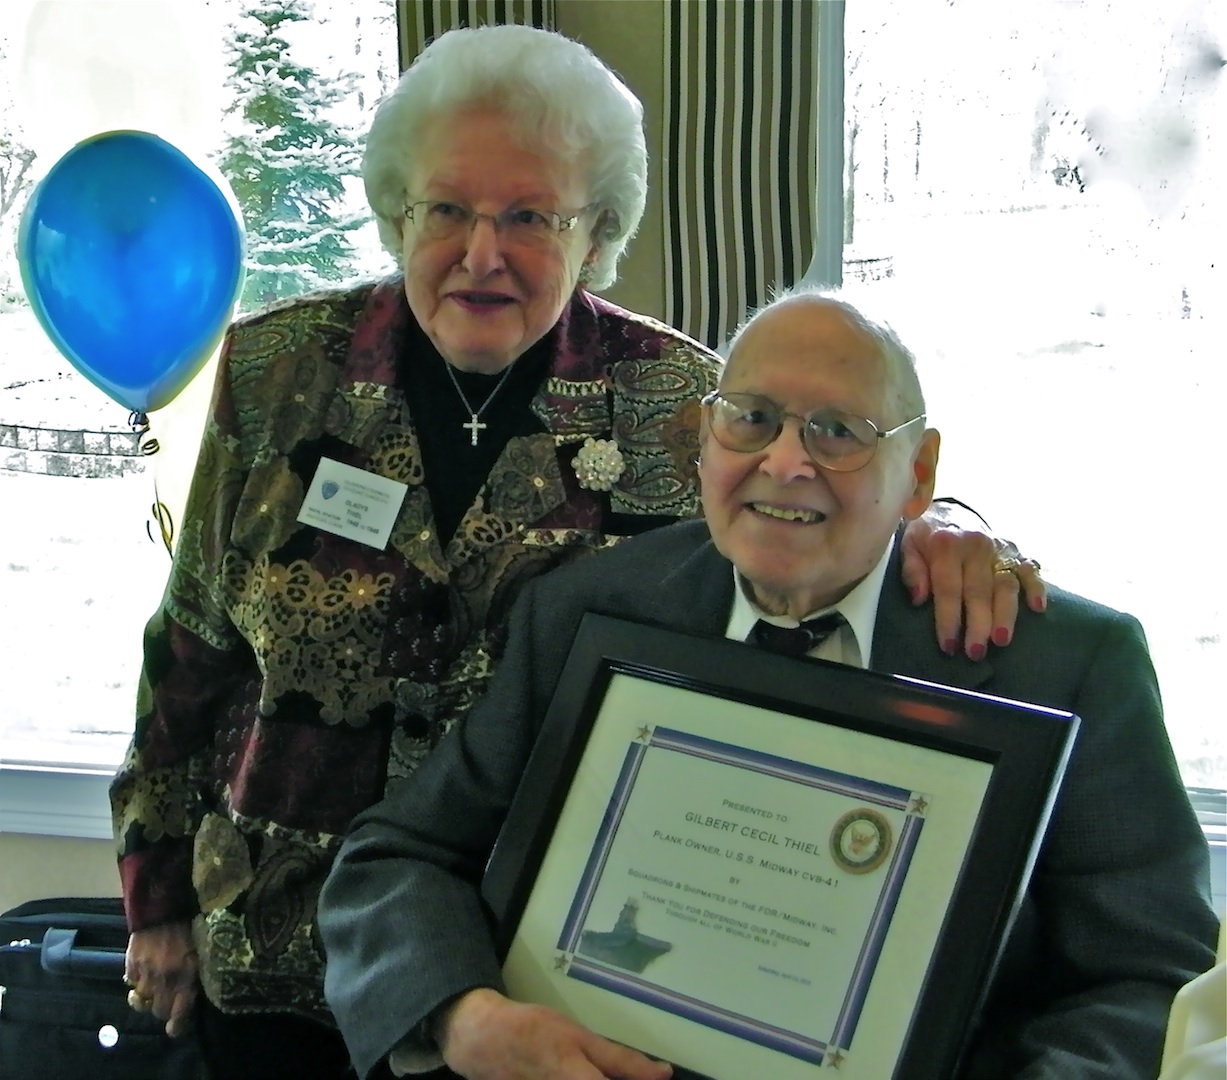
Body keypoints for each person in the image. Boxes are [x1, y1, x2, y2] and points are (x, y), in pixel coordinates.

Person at [110, 24, 1042, 1080]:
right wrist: (157, 898)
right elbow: (188, 649)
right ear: (394, 212)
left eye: (529, 217)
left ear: (597, 231)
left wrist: (951, 525)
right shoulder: (279, 368)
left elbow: (820, 495)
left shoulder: (674, 401)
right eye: (447, 209)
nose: (481, 253)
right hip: (278, 941)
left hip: (536, 983)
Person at [317, 287, 1218, 1080]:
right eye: (750, 418)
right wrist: (463, 1017)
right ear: (706, 438)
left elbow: (1146, 972)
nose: (784, 464)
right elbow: (394, 859)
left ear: (922, 474)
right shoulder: (587, 612)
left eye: (837, 432)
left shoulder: (1067, 665)